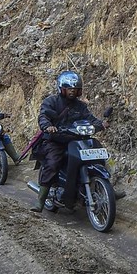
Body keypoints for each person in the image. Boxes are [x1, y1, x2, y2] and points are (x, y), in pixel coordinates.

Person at [31, 70, 108, 213]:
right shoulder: (51, 101)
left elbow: (90, 118)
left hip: (76, 140)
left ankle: (106, 189)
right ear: (62, 89)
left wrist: (100, 124)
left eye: (75, 89)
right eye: (69, 89)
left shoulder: (80, 106)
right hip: (55, 141)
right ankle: (40, 201)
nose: (72, 92)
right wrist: (48, 126)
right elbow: (44, 116)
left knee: (96, 155)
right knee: (53, 163)